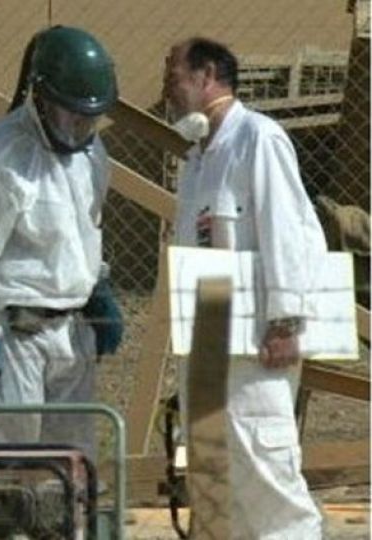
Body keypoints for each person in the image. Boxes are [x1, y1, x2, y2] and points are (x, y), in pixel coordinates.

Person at [164, 37, 326, 538]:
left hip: (257, 346)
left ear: (208, 75)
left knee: (267, 479)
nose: (168, 87)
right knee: (215, 486)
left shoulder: (258, 138)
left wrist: (286, 320)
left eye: (174, 75)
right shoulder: (197, 159)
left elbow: (287, 230)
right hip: (209, 339)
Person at [0, 26, 123, 456]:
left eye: (90, 118)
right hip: (14, 334)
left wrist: (97, 288)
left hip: (72, 334)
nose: (80, 128)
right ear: (40, 96)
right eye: (71, 116)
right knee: (7, 465)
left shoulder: (91, 156)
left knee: (71, 468)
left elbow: (86, 230)